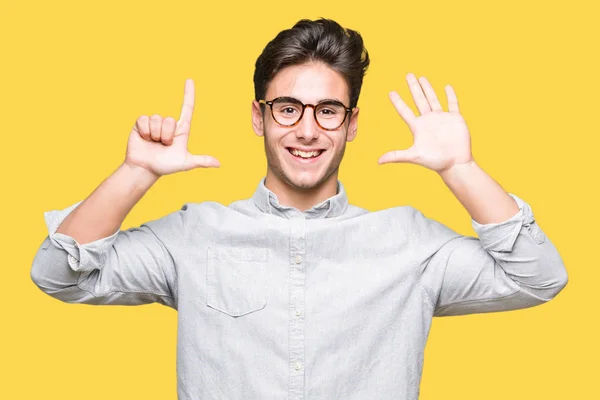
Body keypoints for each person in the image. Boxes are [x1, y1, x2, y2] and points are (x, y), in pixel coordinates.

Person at [31, 18, 568, 400]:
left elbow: (538, 279)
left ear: (352, 124)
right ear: (259, 117)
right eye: (288, 108)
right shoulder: (195, 234)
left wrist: (460, 170)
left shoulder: (411, 243)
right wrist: (136, 173)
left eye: (328, 111)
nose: (307, 129)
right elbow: (57, 274)